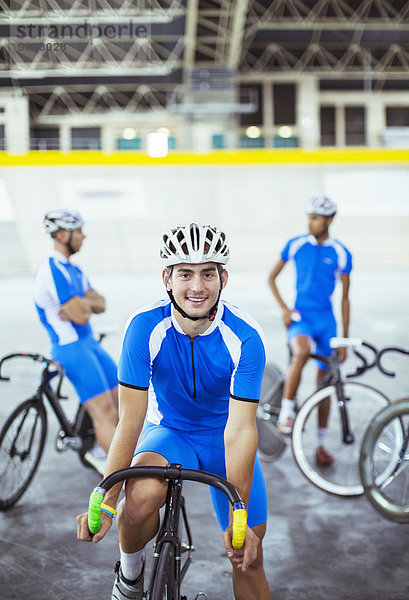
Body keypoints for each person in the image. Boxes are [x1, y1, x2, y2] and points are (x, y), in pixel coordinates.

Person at [76, 222, 270, 600]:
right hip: (170, 432)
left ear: (223, 278)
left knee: (246, 553)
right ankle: (130, 577)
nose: (196, 287)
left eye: (207, 273)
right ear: (167, 278)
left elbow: (242, 430)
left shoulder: (246, 336)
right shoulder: (144, 327)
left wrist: (239, 515)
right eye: (185, 273)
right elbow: (129, 422)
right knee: (141, 496)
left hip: (224, 437)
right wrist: (107, 500)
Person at [268, 195, 352, 465]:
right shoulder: (295, 245)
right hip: (301, 317)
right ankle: (288, 414)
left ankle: (320, 444)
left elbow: (345, 298)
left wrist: (345, 339)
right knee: (301, 351)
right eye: (309, 217)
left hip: (326, 321)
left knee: (326, 382)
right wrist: (285, 309)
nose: (310, 223)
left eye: (315, 218)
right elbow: (272, 278)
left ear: (328, 221)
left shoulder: (340, 252)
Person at [33, 209, 118, 474]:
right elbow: (81, 316)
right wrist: (84, 304)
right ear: (60, 235)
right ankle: (117, 475)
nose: (83, 236)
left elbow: (101, 303)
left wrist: (82, 302)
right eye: (78, 231)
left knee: (122, 401)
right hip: (70, 348)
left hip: (89, 344)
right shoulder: (51, 270)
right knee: (104, 413)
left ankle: (97, 446)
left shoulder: (75, 269)